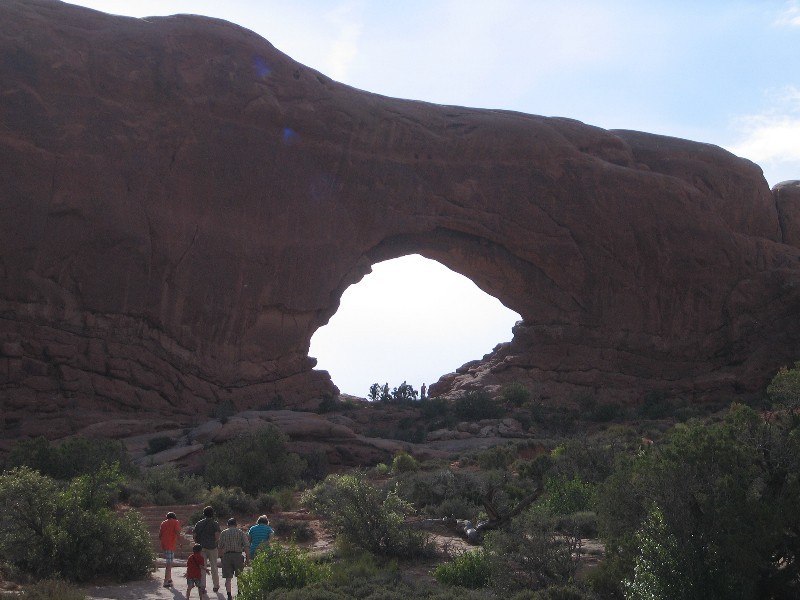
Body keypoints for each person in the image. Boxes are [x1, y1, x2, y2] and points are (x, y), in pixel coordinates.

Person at [218, 517, 250, 600]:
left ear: (227, 525)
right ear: (236, 525)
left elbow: (220, 547)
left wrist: (221, 557)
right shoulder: (241, 533)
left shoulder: (223, 533)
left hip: (227, 555)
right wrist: (247, 558)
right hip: (238, 555)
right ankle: (239, 593)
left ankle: (229, 595)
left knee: (228, 578)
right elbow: (246, 545)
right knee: (239, 576)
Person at [193, 506, 221, 594]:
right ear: (212, 513)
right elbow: (217, 536)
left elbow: (194, 535)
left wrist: (198, 542)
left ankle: (202, 586)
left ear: (204, 514)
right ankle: (216, 585)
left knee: (202, 568)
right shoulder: (215, 523)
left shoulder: (199, 523)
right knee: (214, 567)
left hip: (202, 548)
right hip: (212, 547)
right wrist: (215, 542)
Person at [159, 511, 182, 588]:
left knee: (170, 562)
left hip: (164, 545)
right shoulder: (176, 522)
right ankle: (165, 581)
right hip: (170, 544)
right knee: (169, 564)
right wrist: (180, 542)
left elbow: (160, 535)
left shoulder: (163, 523)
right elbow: (177, 532)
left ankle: (169, 579)